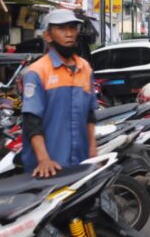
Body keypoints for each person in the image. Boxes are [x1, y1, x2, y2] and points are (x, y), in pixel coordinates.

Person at [21, 9, 97, 178]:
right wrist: (44, 160)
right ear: (48, 36)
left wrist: (92, 150)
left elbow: (90, 115)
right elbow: (32, 121)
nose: (69, 34)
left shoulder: (85, 68)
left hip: (80, 162)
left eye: (72, 28)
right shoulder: (37, 72)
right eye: (62, 29)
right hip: (49, 168)